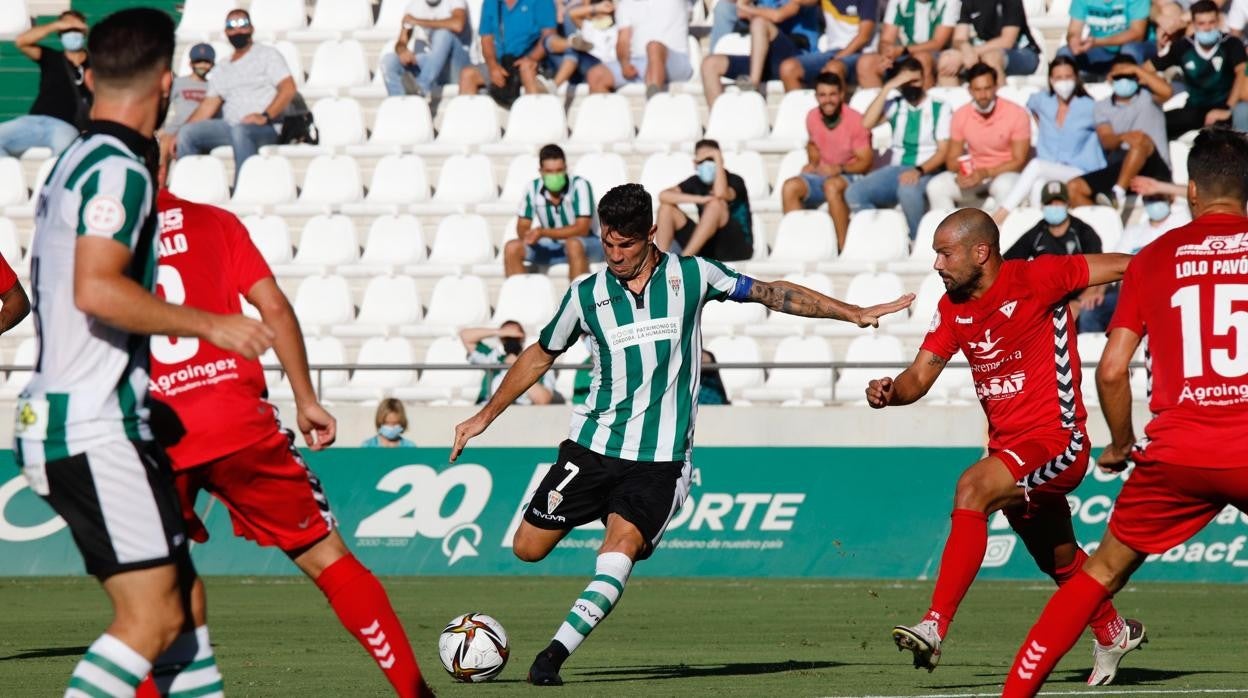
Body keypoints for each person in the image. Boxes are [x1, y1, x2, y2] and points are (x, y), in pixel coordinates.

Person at [450, 182, 913, 686]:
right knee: (527, 548)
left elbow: (771, 293)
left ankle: (551, 658)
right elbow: (541, 354)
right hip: (592, 447)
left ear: (651, 233)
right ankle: (604, 517)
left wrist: (851, 312)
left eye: (626, 244)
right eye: (607, 243)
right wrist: (486, 416)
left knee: (621, 550)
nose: (615, 255)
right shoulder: (586, 295)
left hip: (660, 461)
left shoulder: (693, 276)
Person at [13, 9, 273, 697]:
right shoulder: (118, 170)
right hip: (89, 423)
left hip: (89, 418)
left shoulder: (73, 160)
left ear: (91, 75)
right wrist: (213, 325)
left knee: (183, 608)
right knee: (152, 618)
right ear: (164, 83)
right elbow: (96, 288)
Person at [149, 185, 433, 697]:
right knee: (329, 560)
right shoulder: (213, 222)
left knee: (151, 602)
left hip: (158, 433)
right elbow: (273, 307)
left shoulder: (97, 240)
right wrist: (306, 399)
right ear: (164, 153)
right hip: (238, 419)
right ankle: (415, 694)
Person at [1001, 127, 1248, 696]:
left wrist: (1120, 443)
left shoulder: (1153, 258)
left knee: (1100, 574)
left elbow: (1112, 370)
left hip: (1178, 453)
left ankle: (1015, 692)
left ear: (1191, 191)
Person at [864, 208, 1141, 686]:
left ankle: (934, 625)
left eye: (944, 254)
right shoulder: (953, 307)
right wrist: (892, 392)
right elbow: (919, 377)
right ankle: (1113, 631)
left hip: (1058, 441)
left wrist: (1182, 273)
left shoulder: (1038, 277)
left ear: (981, 252)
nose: (936, 264)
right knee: (1059, 559)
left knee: (972, 488)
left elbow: (1127, 266)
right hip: (1010, 453)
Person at [176, 9, 296, 184]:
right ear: (226, 32)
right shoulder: (223, 67)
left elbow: (288, 88)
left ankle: (244, 188)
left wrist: (265, 116)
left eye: (242, 24)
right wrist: (177, 134)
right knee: (187, 133)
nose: (237, 30)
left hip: (264, 127)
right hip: (230, 126)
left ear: (252, 28)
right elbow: (208, 106)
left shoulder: (267, 55)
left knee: (241, 131)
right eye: (232, 26)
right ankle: (189, 188)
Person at [991, 57, 1105, 225]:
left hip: (1080, 170)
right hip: (1051, 166)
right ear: (1051, 80)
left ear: (1076, 78)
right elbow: (1031, 105)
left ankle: (1000, 215)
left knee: (1036, 166)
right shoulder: (1043, 101)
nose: (1063, 82)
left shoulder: (1089, 106)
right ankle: (1039, 228)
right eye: (1058, 78)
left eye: (1068, 77)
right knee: (1038, 186)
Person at [846, 57, 951, 239]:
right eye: (906, 82)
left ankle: (918, 240)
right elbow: (866, 123)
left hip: (926, 169)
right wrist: (887, 88)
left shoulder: (939, 107)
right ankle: (881, 237)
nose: (911, 86)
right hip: (895, 170)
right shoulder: (895, 104)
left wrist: (918, 170)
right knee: (855, 192)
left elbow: (943, 151)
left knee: (907, 190)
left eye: (915, 81)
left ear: (924, 79)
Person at [780, 72, 872, 251]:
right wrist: (813, 163)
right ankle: (798, 245)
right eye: (822, 95)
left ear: (841, 95)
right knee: (790, 186)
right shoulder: (812, 116)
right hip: (824, 173)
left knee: (832, 186)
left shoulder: (856, 120)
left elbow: (866, 162)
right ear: (816, 96)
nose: (827, 100)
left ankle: (842, 248)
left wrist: (840, 168)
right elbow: (813, 144)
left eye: (832, 94)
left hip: (852, 173)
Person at [1066, 54, 1172, 209]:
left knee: (1140, 140)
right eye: (1119, 76)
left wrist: (1137, 70)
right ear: (1110, 78)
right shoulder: (1102, 107)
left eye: (1128, 75)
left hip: (1155, 166)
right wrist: (1123, 137)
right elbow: (1106, 140)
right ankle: (1103, 221)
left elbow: (1167, 92)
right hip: (1123, 167)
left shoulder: (1149, 96)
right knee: (1073, 188)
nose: (1123, 80)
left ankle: (1117, 193)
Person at [1078, 188, 1188, 333]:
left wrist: (1157, 185)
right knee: (1090, 311)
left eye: (1158, 197)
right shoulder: (1133, 232)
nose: (1154, 202)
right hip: (1130, 294)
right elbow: (1114, 263)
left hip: (1168, 292)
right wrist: (1098, 290)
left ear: (1170, 198)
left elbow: (1199, 192)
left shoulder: (1182, 220)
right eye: (1149, 199)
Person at [926, 62, 1030, 213]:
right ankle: (950, 227)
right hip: (974, 175)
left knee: (1005, 186)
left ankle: (998, 227)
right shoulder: (961, 115)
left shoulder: (1017, 113)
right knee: (936, 186)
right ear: (970, 90)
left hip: (1003, 173)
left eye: (987, 88)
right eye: (978, 90)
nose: (983, 95)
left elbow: (1019, 161)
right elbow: (952, 159)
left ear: (996, 87)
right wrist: (961, 174)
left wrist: (986, 173)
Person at [1146, 0, 1245, 139]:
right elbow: (1147, 68)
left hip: (1224, 109)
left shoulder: (1231, 44)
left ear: (1218, 21)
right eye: (1201, 23)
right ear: (1193, 24)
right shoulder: (1183, 46)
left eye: (1211, 22)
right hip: (1195, 108)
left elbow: (1241, 73)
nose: (1207, 28)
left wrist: (1228, 108)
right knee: (1156, 123)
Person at [504, 144, 603, 281]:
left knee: (573, 244)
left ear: (566, 168)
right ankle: (520, 294)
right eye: (549, 171)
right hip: (551, 246)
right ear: (541, 171)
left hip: (587, 243)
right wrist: (529, 236)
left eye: (559, 170)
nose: (555, 175)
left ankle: (579, 295)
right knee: (512, 247)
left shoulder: (580, 185)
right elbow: (522, 226)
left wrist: (543, 232)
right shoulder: (532, 188)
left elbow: (582, 229)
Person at [0, 10, 90, 156]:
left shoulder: (95, 64)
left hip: (66, 126)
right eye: (66, 29)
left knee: (64, 155)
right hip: (33, 121)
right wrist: (56, 25)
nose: (71, 32)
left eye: (75, 28)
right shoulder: (51, 57)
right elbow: (22, 42)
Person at [698, 0, 822, 104]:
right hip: (765, 60)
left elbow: (778, 16)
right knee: (710, 64)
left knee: (759, 23)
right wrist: (745, 7)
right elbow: (740, 9)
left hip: (797, 55)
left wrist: (748, 9)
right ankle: (717, 120)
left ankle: (753, 83)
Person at [655, 139, 754, 261]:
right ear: (695, 163)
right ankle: (661, 264)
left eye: (710, 159)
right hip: (709, 245)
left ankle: (683, 262)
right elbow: (663, 196)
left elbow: (720, 193)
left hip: (736, 247)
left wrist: (717, 157)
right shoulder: (695, 181)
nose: (706, 164)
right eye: (702, 160)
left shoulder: (735, 180)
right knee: (666, 208)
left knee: (716, 204)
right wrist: (701, 199)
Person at [458, 0, 557, 106]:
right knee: (467, 74)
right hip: (501, 63)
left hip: (534, 62)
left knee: (527, 68)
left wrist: (531, 58)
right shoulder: (490, 3)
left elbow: (549, 36)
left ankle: (535, 112)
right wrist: (493, 66)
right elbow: (486, 39)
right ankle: (466, 116)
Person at [592, 0, 693, 97]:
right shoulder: (625, 4)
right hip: (640, 62)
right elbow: (623, 40)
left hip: (676, 62)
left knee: (654, 47)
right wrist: (624, 64)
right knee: (596, 75)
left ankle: (653, 105)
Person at [855, 0, 959, 88]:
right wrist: (886, 54)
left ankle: (923, 103)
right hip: (902, 54)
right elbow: (886, 39)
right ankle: (879, 104)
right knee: (866, 63)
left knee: (921, 59)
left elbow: (938, 43)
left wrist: (903, 50)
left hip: (934, 55)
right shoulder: (898, 2)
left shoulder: (949, 2)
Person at [381, 0, 472, 97]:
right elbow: (401, 42)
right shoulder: (413, 6)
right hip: (430, 65)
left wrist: (417, 21)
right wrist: (403, 51)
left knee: (442, 34)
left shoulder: (455, 2)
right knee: (389, 60)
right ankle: (400, 100)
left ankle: (422, 87)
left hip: (457, 68)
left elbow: (458, 25)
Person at [937, 0, 1041, 85]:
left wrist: (971, 52)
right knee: (947, 61)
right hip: (983, 51)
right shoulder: (968, 2)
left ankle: (999, 103)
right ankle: (955, 104)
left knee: (991, 58)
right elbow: (959, 38)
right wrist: (965, 48)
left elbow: (1007, 41)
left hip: (1022, 52)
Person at [778, 0, 878, 87]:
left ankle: (839, 104)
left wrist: (837, 58)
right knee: (788, 68)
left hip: (862, 53)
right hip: (832, 52)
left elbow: (863, 37)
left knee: (833, 69)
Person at [461, 322, 556, 405]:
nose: (511, 339)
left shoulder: (539, 363)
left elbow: (543, 400)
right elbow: (465, 336)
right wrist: (500, 332)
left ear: (523, 337)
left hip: (521, 413)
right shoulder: (493, 358)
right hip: (488, 409)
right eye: (507, 337)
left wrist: (518, 366)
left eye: (516, 336)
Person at [1058, 0, 1152, 77]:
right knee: (1065, 53)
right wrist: (1073, 40)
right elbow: (1074, 30)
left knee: (1130, 49)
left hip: (1138, 47)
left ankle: (1128, 89)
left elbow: (1137, 34)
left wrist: (1097, 42)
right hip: (1100, 48)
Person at [158, 42, 213, 155]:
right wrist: (161, 128)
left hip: (200, 131)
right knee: (164, 144)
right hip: (175, 128)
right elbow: (164, 104)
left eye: (206, 62)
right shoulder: (178, 83)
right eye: (198, 61)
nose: (202, 65)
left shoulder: (213, 86)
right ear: (190, 63)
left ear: (212, 64)